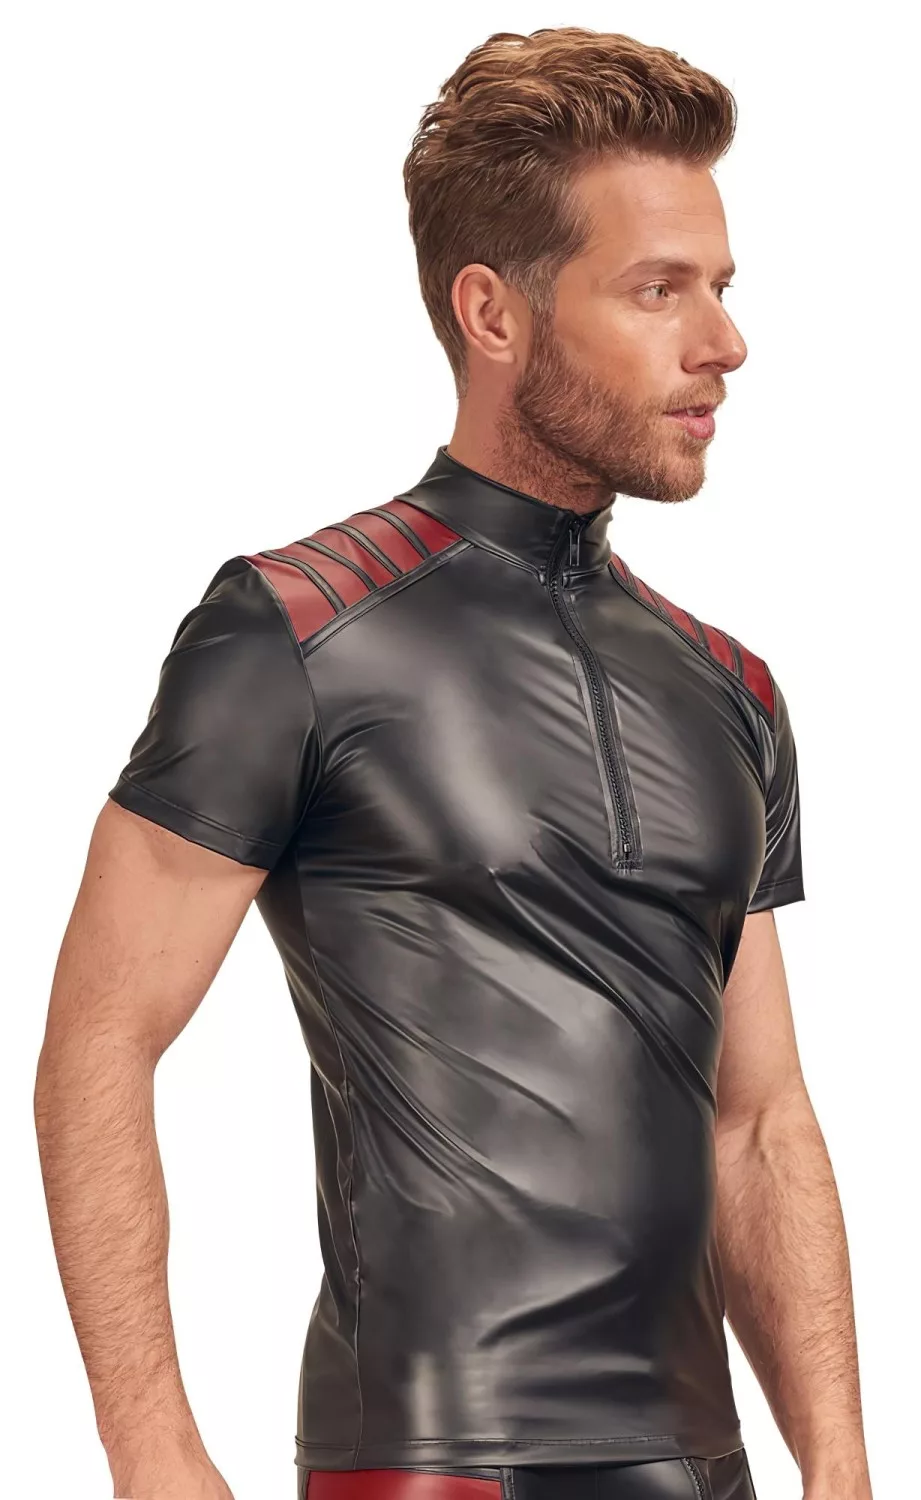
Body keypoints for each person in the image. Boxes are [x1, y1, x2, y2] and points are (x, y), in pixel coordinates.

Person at [34, 26, 873, 1500]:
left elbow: (761, 1120)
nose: (724, 344)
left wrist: (842, 1465)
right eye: (659, 289)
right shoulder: (293, 629)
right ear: (492, 311)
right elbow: (100, 1044)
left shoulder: (732, 688)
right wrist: (153, 1455)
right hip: (435, 1464)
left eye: (722, 286)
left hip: (704, 1470)